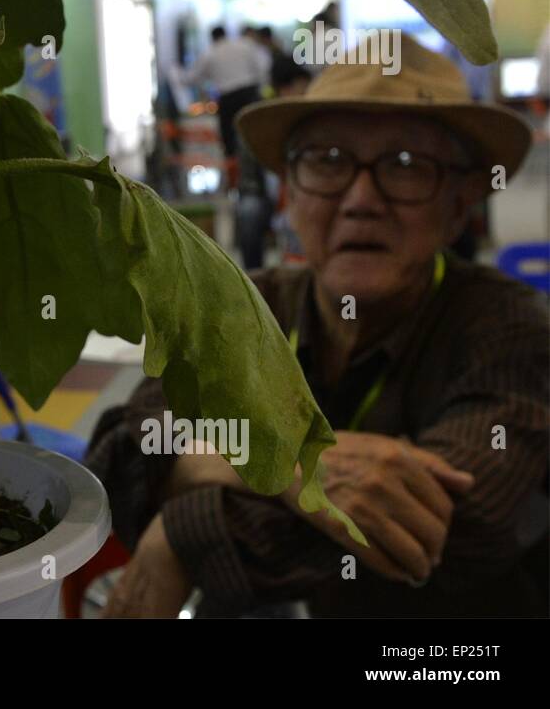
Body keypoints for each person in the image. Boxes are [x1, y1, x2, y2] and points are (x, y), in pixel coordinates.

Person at [86, 34, 548, 617]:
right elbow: (120, 455)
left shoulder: (509, 328)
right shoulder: (249, 304)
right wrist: (295, 468)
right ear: (287, 195)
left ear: (459, 205)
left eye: (406, 166)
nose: (360, 199)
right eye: (328, 160)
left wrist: (181, 530)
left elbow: (448, 523)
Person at [181, 25, 269, 160]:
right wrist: (260, 88)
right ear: (226, 34)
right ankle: (259, 165)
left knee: (228, 138)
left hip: (228, 98)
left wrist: (177, 75)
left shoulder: (210, 53)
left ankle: (232, 168)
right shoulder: (244, 45)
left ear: (212, 38)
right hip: (250, 93)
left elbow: (193, 78)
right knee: (254, 132)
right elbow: (262, 68)